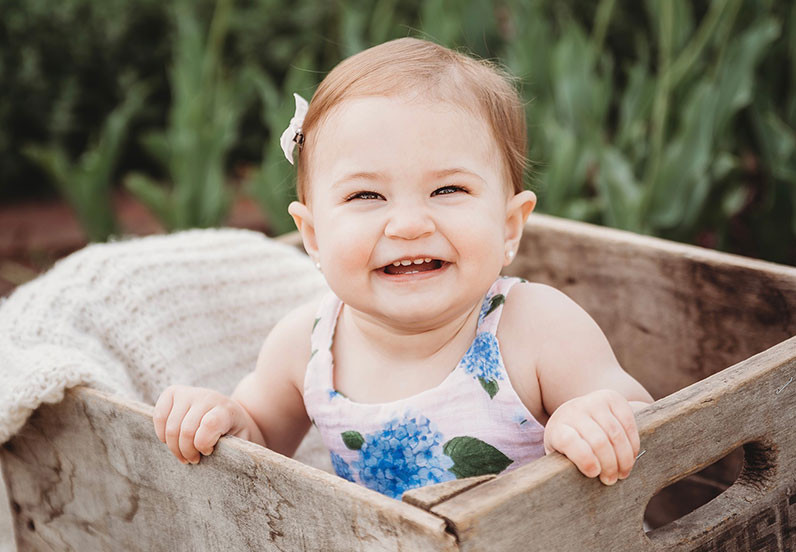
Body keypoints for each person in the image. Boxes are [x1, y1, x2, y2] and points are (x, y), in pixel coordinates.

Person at [153, 37, 653, 500]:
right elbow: (259, 438)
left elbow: (652, 422)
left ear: (508, 226)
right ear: (313, 236)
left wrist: (596, 418)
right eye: (366, 195)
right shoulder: (305, 345)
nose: (409, 224)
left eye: (448, 190)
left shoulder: (536, 328)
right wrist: (221, 421)